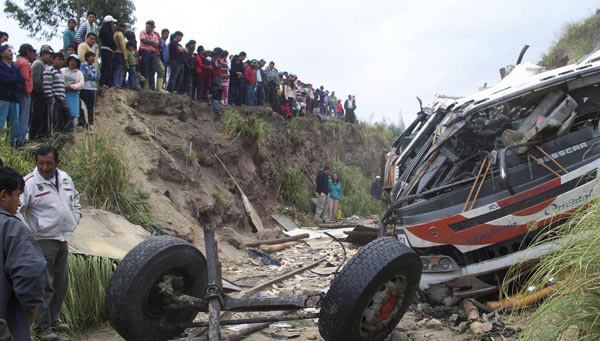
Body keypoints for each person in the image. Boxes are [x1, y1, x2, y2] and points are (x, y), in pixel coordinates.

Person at [20, 146, 82, 340]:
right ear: (36, 163)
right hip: (42, 241)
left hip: (63, 239)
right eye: (41, 163)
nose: (45, 167)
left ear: (57, 162)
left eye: (49, 163)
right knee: (44, 285)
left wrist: (76, 216)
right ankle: (41, 327)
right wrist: (27, 232)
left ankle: (53, 320)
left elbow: (76, 198)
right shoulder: (29, 183)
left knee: (60, 284)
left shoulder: (64, 178)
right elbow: (16, 207)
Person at [0, 166, 47, 340]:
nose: (19, 203)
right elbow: (31, 271)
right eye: (18, 195)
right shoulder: (11, 227)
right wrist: (31, 308)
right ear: (4, 195)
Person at [0, 43, 25, 143]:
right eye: (8, 51)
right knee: (1, 122)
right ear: (2, 54)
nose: (11, 53)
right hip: (3, 98)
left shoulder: (14, 67)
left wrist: (13, 80)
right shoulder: (1, 66)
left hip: (14, 98)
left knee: (14, 124)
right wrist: (15, 80)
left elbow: (22, 81)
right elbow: (4, 79)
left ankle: (11, 145)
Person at [30, 46, 54, 141]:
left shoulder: (43, 65)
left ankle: (39, 135)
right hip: (37, 94)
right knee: (37, 115)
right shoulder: (38, 64)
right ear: (43, 55)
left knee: (41, 115)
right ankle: (34, 136)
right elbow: (36, 80)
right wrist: (41, 91)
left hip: (40, 94)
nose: (50, 58)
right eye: (49, 55)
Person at [15, 44, 36, 146]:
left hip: (18, 93)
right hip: (24, 94)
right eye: (32, 52)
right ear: (28, 52)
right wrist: (27, 91)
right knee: (23, 118)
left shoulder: (17, 61)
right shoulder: (25, 64)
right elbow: (24, 80)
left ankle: (17, 139)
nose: (33, 55)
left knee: (18, 117)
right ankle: (20, 141)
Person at [43, 53, 66, 137]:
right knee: (52, 119)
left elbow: (62, 87)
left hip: (60, 100)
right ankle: (50, 137)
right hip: (54, 99)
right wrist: (51, 98)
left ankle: (56, 137)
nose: (60, 61)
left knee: (58, 120)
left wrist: (63, 99)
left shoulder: (60, 72)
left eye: (62, 60)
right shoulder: (49, 70)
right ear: (53, 60)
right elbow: (47, 85)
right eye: (58, 59)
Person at [61, 55, 84, 134]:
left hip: (73, 95)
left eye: (75, 61)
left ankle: (70, 134)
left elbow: (81, 84)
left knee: (71, 115)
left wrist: (72, 86)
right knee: (62, 113)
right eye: (71, 61)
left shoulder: (79, 73)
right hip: (63, 94)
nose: (72, 63)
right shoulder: (62, 70)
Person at [80, 51, 100, 129]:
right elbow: (83, 76)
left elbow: (98, 77)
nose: (94, 58)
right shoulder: (83, 65)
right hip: (85, 88)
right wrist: (93, 76)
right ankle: (82, 123)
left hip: (93, 89)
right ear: (87, 57)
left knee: (91, 107)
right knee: (83, 106)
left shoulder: (95, 67)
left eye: (94, 57)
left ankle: (90, 123)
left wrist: (90, 75)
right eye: (92, 56)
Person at [139, 20, 160, 90]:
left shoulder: (155, 35)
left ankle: (152, 87)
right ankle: (143, 86)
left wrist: (148, 42)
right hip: (145, 52)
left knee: (152, 70)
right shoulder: (142, 32)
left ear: (152, 28)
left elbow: (157, 45)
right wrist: (152, 42)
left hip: (152, 53)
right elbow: (143, 40)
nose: (147, 28)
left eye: (149, 27)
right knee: (144, 70)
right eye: (146, 27)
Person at [98, 15, 117, 87]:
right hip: (108, 50)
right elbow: (111, 41)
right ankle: (105, 82)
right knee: (107, 67)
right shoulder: (108, 31)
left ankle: (103, 82)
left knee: (104, 66)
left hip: (103, 49)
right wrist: (115, 46)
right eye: (112, 22)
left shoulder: (102, 30)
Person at [112, 22, 128, 88]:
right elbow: (122, 45)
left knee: (116, 69)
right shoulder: (120, 34)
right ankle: (117, 84)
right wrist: (125, 56)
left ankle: (116, 83)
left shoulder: (115, 33)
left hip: (114, 53)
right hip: (119, 53)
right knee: (118, 69)